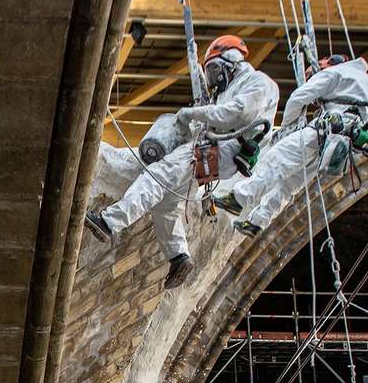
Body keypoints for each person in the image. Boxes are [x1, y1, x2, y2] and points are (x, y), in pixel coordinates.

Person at [86, 35, 279, 289]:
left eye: (213, 68)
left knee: (157, 175)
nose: (213, 77)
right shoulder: (233, 86)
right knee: (168, 203)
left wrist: (191, 113)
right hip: (219, 154)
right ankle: (179, 257)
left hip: (221, 149)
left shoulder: (258, 83)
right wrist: (199, 83)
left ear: (232, 59)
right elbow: (217, 109)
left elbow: (235, 113)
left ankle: (109, 223)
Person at [214, 53, 368, 237]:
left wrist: (288, 127)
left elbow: (298, 98)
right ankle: (256, 222)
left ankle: (238, 199)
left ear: (329, 62)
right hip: (341, 145)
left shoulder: (334, 72)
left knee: (276, 159)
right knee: (290, 183)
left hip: (324, 132)